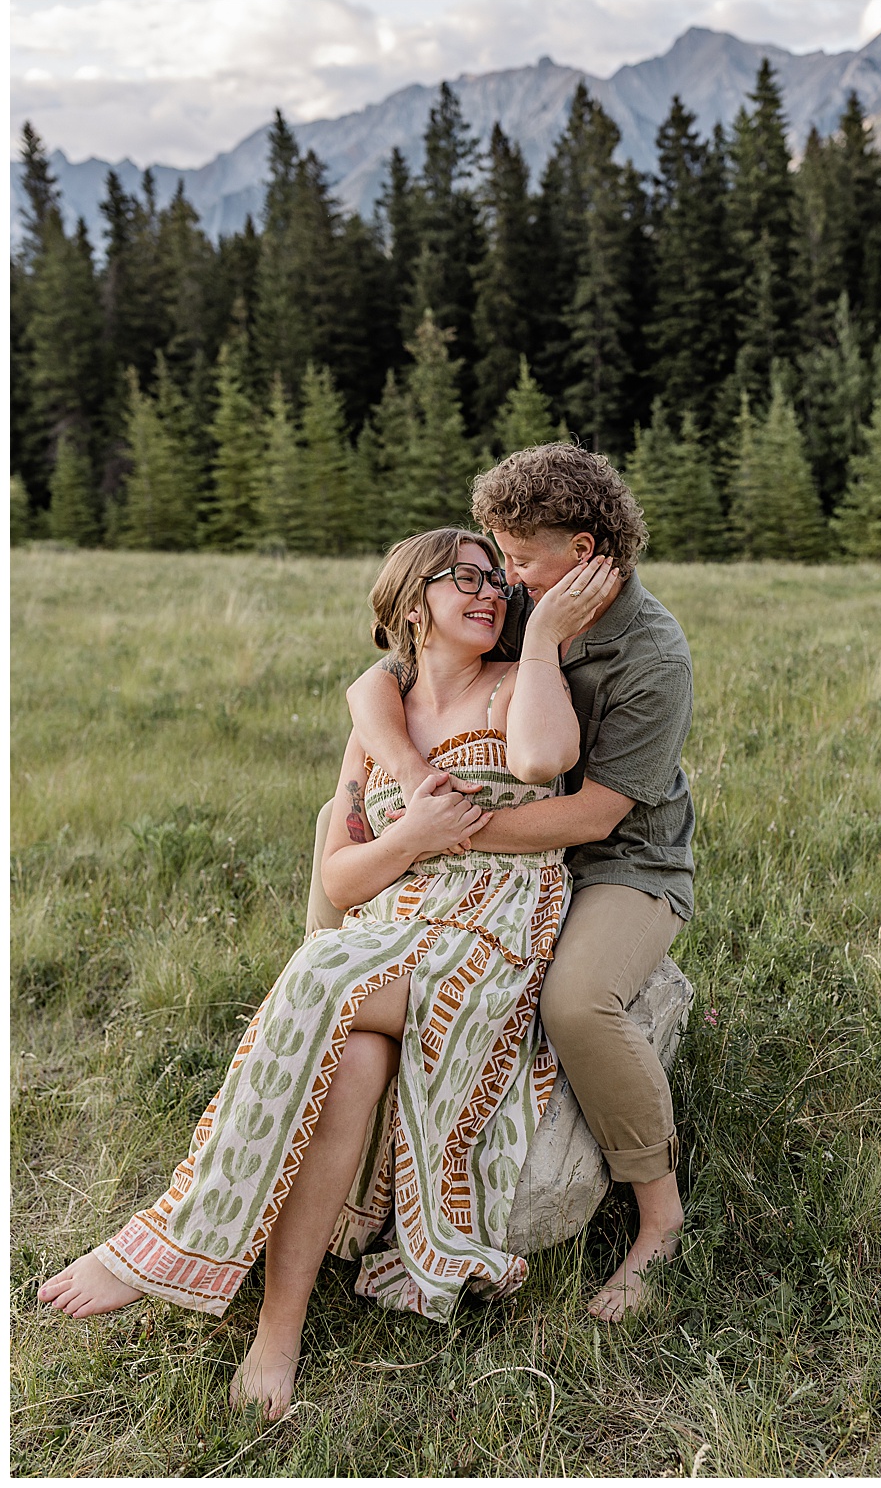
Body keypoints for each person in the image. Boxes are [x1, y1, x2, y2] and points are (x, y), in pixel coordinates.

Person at [38, 527, 617, 1421]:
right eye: (460, 576)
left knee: (316, 977)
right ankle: (280, 1331)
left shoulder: (515, 685)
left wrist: (540, 641)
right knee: (348, 1060)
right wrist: (409, 839)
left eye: (496, 578)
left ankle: (171, 1237)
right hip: (391, 926)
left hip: (491, 933)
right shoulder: (376, 723)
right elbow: (344, 879)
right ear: (411, 600)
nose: (489, 590)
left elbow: (544, 763)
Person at [339, 442, 695, 1322]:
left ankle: (659, 1215)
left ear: (582, 551)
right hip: (491, 857)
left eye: (520, 557)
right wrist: (413, 787)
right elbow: (377, 682)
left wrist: (446, 837)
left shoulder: (653, 656)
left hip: (619, 865)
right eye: (496, 558)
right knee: (336, 857)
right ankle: (331, 1094)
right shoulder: (516, 599)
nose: (501, 577)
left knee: (575, 1003)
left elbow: (593, 816)